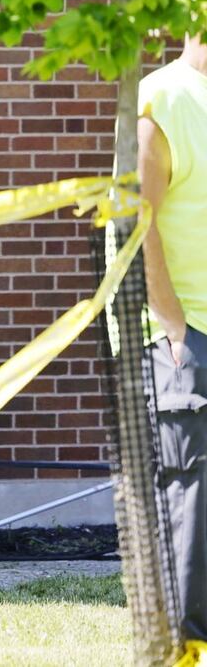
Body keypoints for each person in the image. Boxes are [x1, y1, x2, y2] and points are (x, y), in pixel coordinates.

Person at [139, 35, 207, 642]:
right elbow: (143, 221)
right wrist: (174, 326)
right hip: (189, 339)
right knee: (193, 509)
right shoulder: (161, 98)